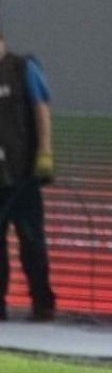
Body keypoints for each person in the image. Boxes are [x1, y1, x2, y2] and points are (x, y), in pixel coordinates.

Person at [0, 28, 56, 322]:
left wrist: (45, 152)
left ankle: (43, 303)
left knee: (31, 240)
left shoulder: (23, 68)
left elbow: (41, 108)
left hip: (23, 175)